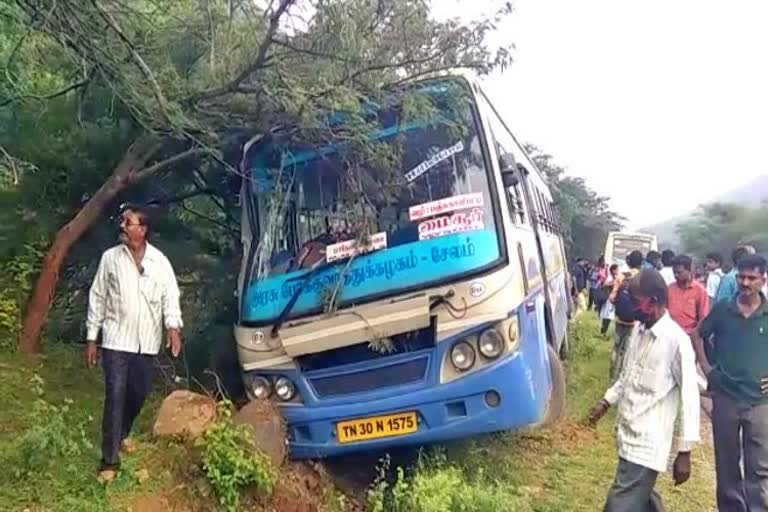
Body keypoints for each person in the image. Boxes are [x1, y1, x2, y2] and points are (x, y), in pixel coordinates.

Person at [85, 205, 183, 484]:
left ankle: (122, 433)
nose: (123, 227)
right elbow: (98, 296)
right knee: (115, 395)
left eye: (128, 223)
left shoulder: (159, 262)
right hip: (116, 339)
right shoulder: (110, 259)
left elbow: (170, 296)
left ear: (143, 229)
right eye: (122, 222)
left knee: (139, 392)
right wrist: (93, 337)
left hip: (147, 344)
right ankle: (109, 460)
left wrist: (173, 327)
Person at [589, 269, 700, 512]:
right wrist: (606, 401)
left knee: (619, 504)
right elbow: (627, 375)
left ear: (654, 302)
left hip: (648, 443)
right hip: (627, 432)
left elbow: (690, 399)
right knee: (643, 498)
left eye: (635, 299)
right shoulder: (638, 331)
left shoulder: (676, 342)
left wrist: (684, 451)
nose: (630, 305)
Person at [692, 254, 768, 511]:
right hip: (725, 397)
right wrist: (706, 368)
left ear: (763, 280)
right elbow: (698, 334)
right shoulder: (723, 308)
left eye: (752, 278)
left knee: (759, 467)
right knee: (727, 463)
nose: (745, 283)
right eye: (741, 277)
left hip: (761, 402)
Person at [608, 250, 644, 381]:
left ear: (628, 262)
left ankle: (612, 376)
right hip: (635, 322)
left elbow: (612, 298)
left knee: (616, 348)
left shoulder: (621, 276)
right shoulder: (643, 278)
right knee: (627, 350)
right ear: (642, 262)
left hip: (620, 319)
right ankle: (621, 378)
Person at [668, 255, 709, 336]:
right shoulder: (669, 289)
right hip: (670, 335)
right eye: (674, 272)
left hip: (690, 336)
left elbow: (703, 318)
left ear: (690, 270)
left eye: (679, 272)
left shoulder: (700, 291)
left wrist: (694, 335)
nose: (675, 275)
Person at [600, 264, 620, 336]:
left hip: (612, 299)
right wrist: (613, 283)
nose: (618, 271)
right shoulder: (610, 277)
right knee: (607, 316)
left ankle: (604, 331)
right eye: (617, 269)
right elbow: (605, 284)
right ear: (613, 270)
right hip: (609, 299)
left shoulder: (615, 277)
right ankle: (603, 332)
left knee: (609, 316)